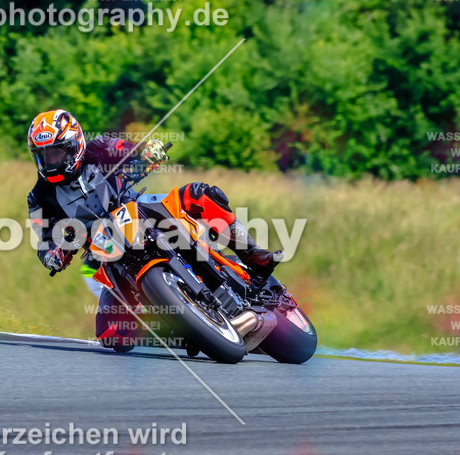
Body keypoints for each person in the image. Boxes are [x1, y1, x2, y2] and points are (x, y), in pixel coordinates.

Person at [25, 109, 283, 347]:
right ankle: (179, 330)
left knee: (199, 194)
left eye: (56, 152)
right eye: (43, 155)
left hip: (139, 211)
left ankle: (252, 255)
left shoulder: (100, 148)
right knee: (111, 334)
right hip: (107, 252)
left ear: (75, 146)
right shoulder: (38, 197)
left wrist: (148, 152)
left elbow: (131, 151)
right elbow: (43, 242)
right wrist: (53, 256)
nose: (51, 161)